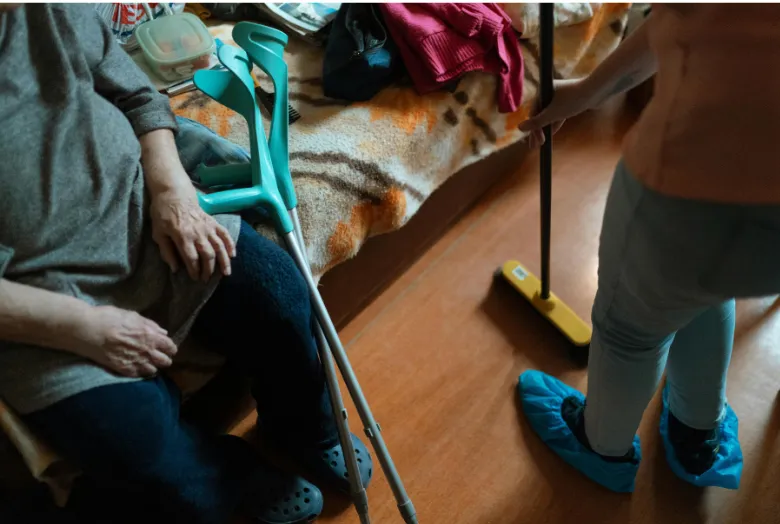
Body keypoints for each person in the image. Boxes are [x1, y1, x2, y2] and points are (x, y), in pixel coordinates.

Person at [0, 5, 372, 523]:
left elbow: (137, 96)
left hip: (134, 207)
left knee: (278, 295)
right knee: (133, 443)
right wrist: (83, 326)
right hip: (33, 299)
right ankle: (231, 480)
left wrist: (172, 191)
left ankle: (305, 427)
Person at [517, 4, 780, 493]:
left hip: (683, 194)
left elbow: (682, 19)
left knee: (630, 331)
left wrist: (587, 93)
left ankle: (602, 444)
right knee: (710, 290)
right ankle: (697, 436)